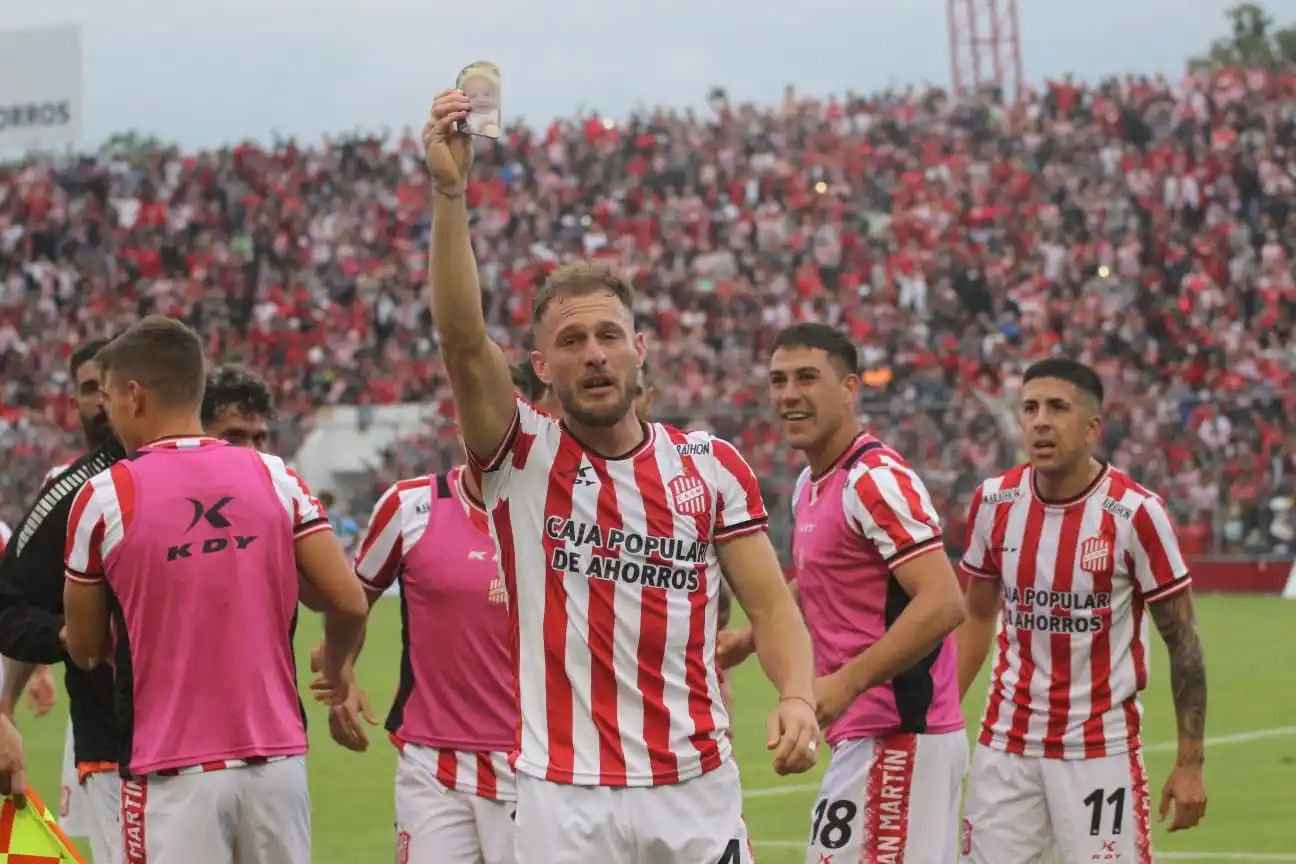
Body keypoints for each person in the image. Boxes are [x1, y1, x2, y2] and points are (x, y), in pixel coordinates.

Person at [415, 90, 817, 864]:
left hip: (695, 788)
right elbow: (463, 339)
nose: (594, 353)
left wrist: (797, 693)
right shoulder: (520, 456)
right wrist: (449, 192)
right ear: (540, 366)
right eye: (571, 340)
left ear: (640, 348)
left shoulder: (711, 466)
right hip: (563, 798)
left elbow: (770, 605)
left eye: (608, 335)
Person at [61, 316, 368, 864]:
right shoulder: (274, 475)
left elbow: (84, 648)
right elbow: (346, 599)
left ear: (134, 395)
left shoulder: (104, 496)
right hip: (277, 765)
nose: (105, 414)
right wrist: (339, 666)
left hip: (173, 770)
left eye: (106, 398)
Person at [723, 323, 968, 862]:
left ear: (849, 388)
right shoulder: (813, 485)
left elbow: (944, 600)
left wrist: (845, 684)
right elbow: (822, 577)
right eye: (778, 380)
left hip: (899, 735)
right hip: (866, 735)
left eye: (807, 378)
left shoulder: (873, 477)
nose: (789, 394)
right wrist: (748, 635)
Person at [957, 358, 1209, 864]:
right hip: (1005, 747)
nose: (1040, 421)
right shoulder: (993, 502)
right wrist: (941, 718)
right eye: (1029, 408)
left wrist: (1190, 763)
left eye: (1057, 408)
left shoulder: (1136, 513)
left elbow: (1184, 643)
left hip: (1099, 752)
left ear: (1093, 427)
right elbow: (978, 616)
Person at [0, 338, 126, 863]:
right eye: (87, 389)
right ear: (75, 401)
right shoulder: (64, 490)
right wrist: (8, 699)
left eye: (107, 387)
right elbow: (30, 600)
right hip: (101, 723)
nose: (99, 401)